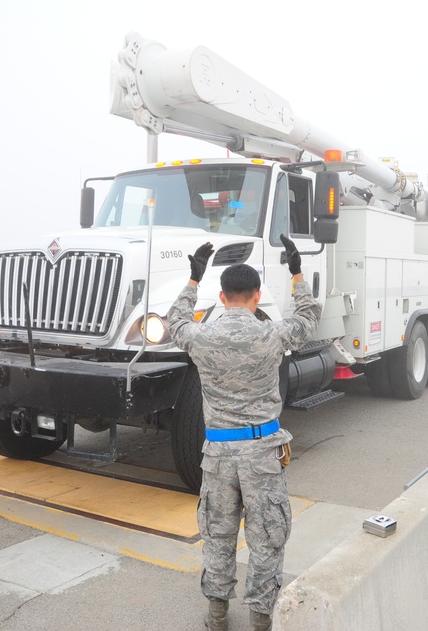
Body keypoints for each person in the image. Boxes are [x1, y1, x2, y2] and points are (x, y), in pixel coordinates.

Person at [167, 235, 321, 631]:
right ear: (256, 297)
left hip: (217, 455)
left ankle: (217, 616)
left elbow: (175, 321)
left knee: (218, 536)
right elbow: (308, 316)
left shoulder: (201, 337)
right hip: (261, 454)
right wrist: (296, 270)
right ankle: (260, 618)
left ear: (222, 297)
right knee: (267, 537)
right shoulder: (272, 335)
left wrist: (192, 279)